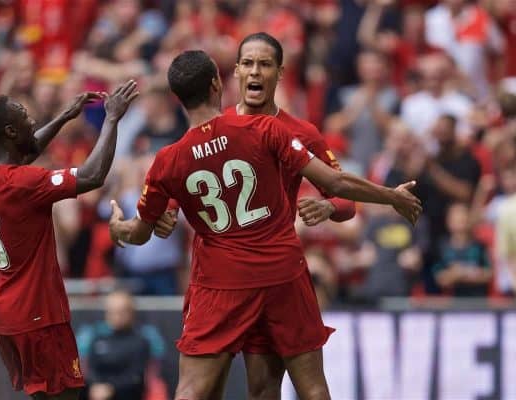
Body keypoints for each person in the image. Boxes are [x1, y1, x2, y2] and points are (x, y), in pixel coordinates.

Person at [108, 49, 421, 400]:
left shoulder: (166, 160)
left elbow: (139, 231)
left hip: (220, 281)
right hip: (281, 273)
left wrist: (119, 227)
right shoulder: (265, 129)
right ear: (218, 83)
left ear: (176, 97)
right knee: (311, 388)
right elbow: (335, 183)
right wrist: (391, 196)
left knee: (195, 389)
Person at [155, 32, 358, 400]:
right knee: (209, 387)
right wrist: (165, 213)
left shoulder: (302, 132)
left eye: (265, 64)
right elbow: (176, 181)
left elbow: (346, 201)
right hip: (221, 278)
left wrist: (329, 206)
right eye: (248, 63)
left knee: (264, 388)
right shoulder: (217, 126)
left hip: (275, 273)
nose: (255, 71)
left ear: (280, 72)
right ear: (234, 73)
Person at [0, 81, 139, 400]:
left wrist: (64, 117)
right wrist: (113, 119)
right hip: (37, 314)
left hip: (6, 312)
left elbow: (26, 150)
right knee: (66, 395)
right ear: (9, 130)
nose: (31, 117)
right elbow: (92, 176)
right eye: (23, 113)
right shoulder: (25, 182)